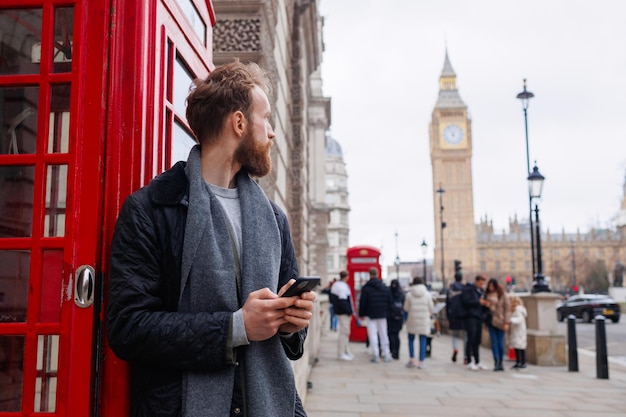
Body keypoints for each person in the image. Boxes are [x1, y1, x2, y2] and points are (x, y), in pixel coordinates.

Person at [106, 60, 315, 417]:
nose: (272, 132)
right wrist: (236, 327)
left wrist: (292, 324)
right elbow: (129, 327)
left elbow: (290, 343)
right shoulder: (153, 209)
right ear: (239, 123)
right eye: (266, 119)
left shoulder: (273, 218)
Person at [358, 267, 393, 363]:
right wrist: (388, 312)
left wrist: (361, 314)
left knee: (372, 335)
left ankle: (376, 355)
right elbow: (390, 301)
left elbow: (363, 302)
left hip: (371, 314)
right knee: (384, 334)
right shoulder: (385, 287)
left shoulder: (366, 288)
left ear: (369, 274)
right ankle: (386, 354)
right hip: (382, 314)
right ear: (377, 274)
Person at [403, 277, 434, 369]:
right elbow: (431, 308)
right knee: (423, 339)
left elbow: (406, 308)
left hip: (412, 319)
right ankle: (421, 361)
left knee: (411, 339)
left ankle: (412, 359)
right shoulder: (427, 294)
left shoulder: (409, 295)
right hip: (424, 319)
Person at [461, 275, 490, 371]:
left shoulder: (481, 291)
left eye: (483, 283)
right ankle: (469, 360)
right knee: (471, 338)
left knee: (477, 340)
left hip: (479, 316)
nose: (481, 285)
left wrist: (485, 304)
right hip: (471, 317)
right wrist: (478, 302)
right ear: (476, 281)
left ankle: (477, 361)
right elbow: (465, 302)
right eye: (480, 283)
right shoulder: (469, 289)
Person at [484, 278, 511, 371]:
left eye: (492, 286)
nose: (491, 288)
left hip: (501, 321)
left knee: (500, 343)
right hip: (491, 322)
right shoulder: (486, 295)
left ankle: (500, 361)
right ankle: (496, 361)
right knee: (494, 343)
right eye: (489, 286)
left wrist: (507, 322)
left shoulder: (502, 295)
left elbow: (507, 309)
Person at [330, 271, 355, 361]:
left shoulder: (338, 285)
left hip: (340, 312)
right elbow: (343, 301)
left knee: (345, 332)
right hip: (343, 313)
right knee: (344, 333)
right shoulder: (341, 286)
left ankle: (346, 351)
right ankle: (341, 353)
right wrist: (349, 311)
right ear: (347, 276)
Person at [446, 274, 467, 364]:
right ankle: (466, 356)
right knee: (465, 336)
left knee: (455, 335)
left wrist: (448, 316)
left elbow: (447, 305)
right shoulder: (464, 289)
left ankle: (455, 348)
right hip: (463, 315)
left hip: (453, 315)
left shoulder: (450, 290)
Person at [387, 279, 405, 360]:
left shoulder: (388, 292)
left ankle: (392, 350)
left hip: (390, 317)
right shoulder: (401, 294)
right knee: (396, 335)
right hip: (399, 317)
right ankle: (397, 352)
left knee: (391, 335)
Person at [509, 295, 528, 369]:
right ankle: (519, 361)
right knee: (517, 346)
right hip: (518, 330)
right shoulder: (519, 309)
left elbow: (519, 319)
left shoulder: (518, 309)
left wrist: (511, 320)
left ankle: (522, 362)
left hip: (519, 330)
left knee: (520, 346)